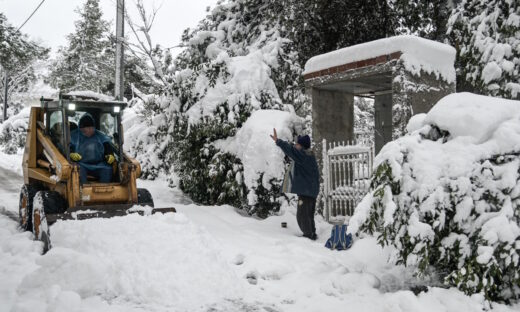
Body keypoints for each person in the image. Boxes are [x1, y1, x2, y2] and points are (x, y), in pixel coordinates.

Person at [271, 129, 320, 240]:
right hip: (311, 191)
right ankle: (312, 233)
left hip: (307, 191)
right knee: (308, 215)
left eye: (297, 144)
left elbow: (290, 150)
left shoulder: (303, 155)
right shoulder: (309, 155)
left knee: (302, 215)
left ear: (302, 146)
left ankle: (308, 236)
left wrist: (278, 141)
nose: (295, 145)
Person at [70, 113, 116, 184]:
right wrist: (71, 154)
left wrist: (110, 154)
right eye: (86, 129)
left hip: (100, 164)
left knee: (107, 170)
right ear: (81, 128)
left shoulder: (100, 136)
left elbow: (107, 146)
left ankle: (105, 190)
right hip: (81, 164)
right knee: (77, 171)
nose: (89, 131)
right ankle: (82, 191)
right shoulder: (74, 136)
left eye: (91, 128)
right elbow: (67, 146)